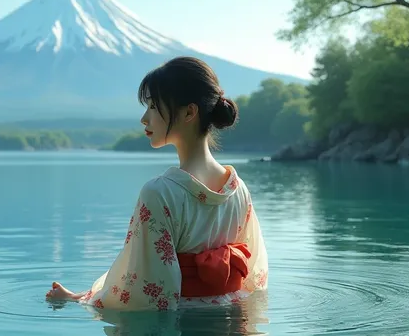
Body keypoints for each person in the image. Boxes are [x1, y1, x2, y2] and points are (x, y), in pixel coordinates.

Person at [45, 56, 268, 311]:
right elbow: (254, 275)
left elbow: (145, 288)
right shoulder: (238, 189)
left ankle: (79, 299)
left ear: (189, 112)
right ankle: (79, 297)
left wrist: (92, 301)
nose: (143, 118)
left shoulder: (160, 193)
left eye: (152, 106)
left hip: (182, 318)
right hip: (232, 312)